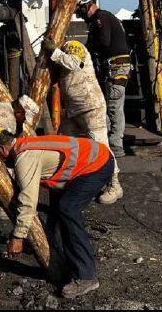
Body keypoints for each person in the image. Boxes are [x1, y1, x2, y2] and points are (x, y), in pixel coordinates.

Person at [0, 127, 114, 299]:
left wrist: (18, 236)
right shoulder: (25, 144)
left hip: (97, 164)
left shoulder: (25, 158)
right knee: (58, 207)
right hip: (91, 159)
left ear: (2, 149)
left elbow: (28, 200)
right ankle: (56, 248)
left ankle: (86, 276)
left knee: (68, 209)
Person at [41, 38, 123, 204]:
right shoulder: (61, 54)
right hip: (73, 110)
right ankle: (71, 181)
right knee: (66, 143)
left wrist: (53, 51)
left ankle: (114, 185)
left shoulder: (73, 46)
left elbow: (73, 63)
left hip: (90, 105)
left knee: (100, 146)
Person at [75, 0, 132, 158]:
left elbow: (104, 42)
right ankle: (106, 143)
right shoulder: (98, 20)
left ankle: (116, 146)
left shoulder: (102, 18)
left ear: (87, 6)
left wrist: (86, 51)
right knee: (106, 105)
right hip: (111, 68)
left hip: (116, 68)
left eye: (81, 12)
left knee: (114, 106)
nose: (82, 17)